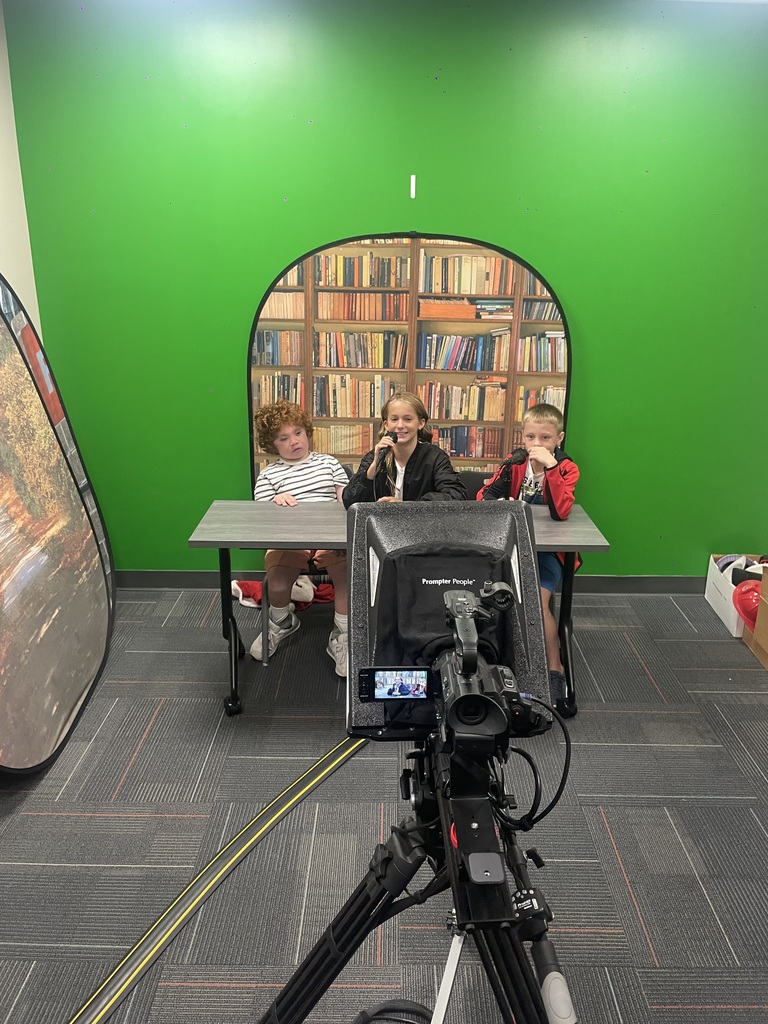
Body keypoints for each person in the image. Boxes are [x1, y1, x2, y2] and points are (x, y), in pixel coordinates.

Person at [477, 402, 580, 704]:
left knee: (536, 600)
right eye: (531, 437)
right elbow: (485, 495)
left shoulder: (566, 467)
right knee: (486, 593)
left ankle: (554, 667)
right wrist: (498, 504)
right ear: (523, 437)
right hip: (510, 547)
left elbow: (561, 511)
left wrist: (550, 468)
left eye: (545, 438)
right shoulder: (515, 463)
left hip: (546, 553)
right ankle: (497, 661)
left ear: (558, 439)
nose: (537, 444)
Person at [252, 399, 350, 676]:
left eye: (298, 433)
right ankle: (281, 622)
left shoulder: (329, 464)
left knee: (346, 578)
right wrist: (274, 500)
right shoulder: (270, 474)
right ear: (273, 445)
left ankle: (341, 636)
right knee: (278, 583)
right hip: (289, 536)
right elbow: (261, 513)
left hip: (329, 536)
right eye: (283, 438)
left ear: (307, 432)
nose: (294, 441)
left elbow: (348, 503)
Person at [342, 392, 467, 506]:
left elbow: (456, 496)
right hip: (381, 527)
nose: (400, 425)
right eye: (394, 419)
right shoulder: (375, 456)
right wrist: (372, 469)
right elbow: (350, 502)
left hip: (421, 526)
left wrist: (406, 505)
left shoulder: (435, 457)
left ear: (421, 423)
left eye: (408, 419)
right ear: (386, 425)